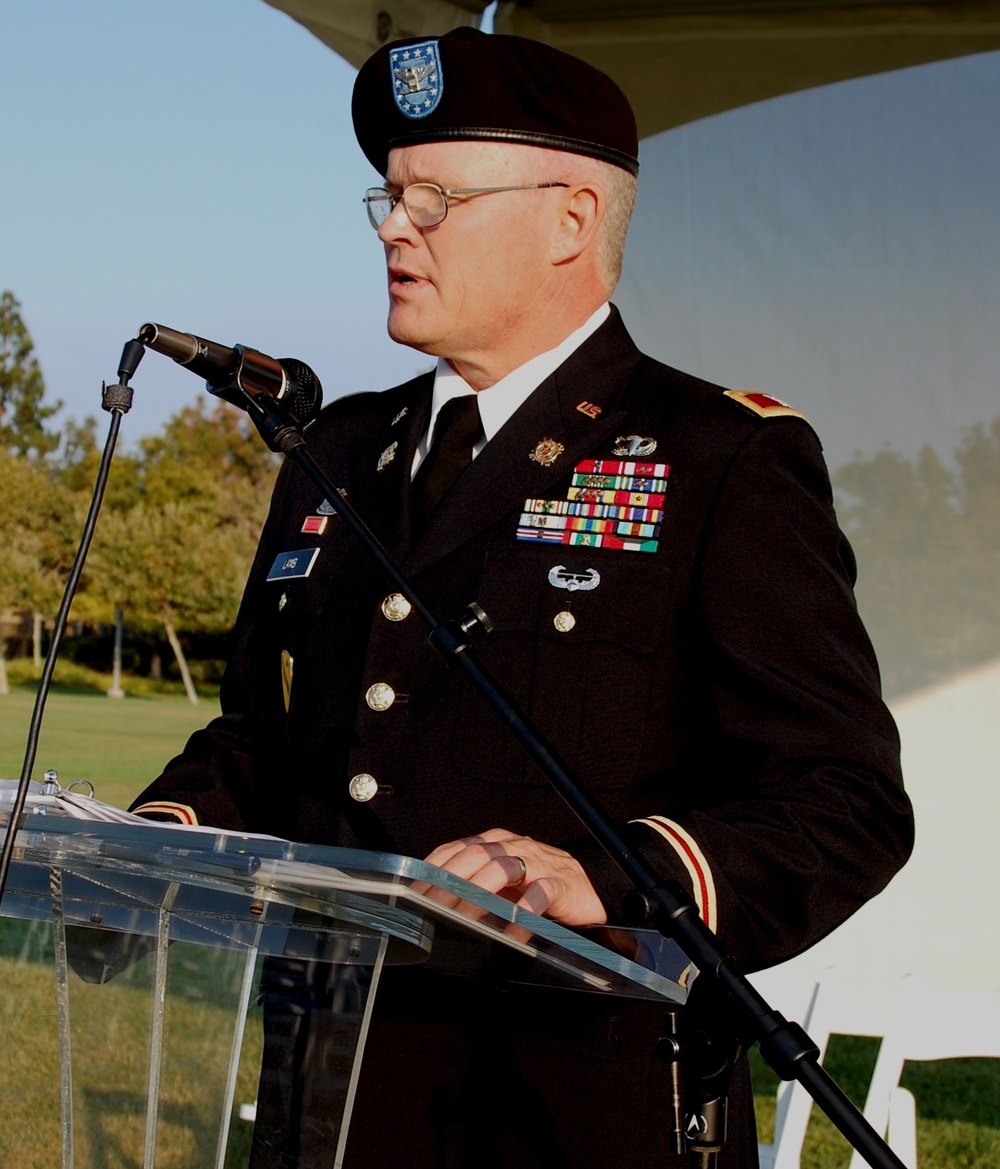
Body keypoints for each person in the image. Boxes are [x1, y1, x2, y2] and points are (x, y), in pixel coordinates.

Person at [132, 27, 913, 1168]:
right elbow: (263, 736)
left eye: (437, 197)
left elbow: (842, 801)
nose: (397, 226)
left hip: (568, 1109)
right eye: (391, 198)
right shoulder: (336, 449)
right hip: (327, 1100)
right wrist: (153, 838)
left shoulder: (716, 458)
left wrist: (603, 871)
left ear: (571, 219)